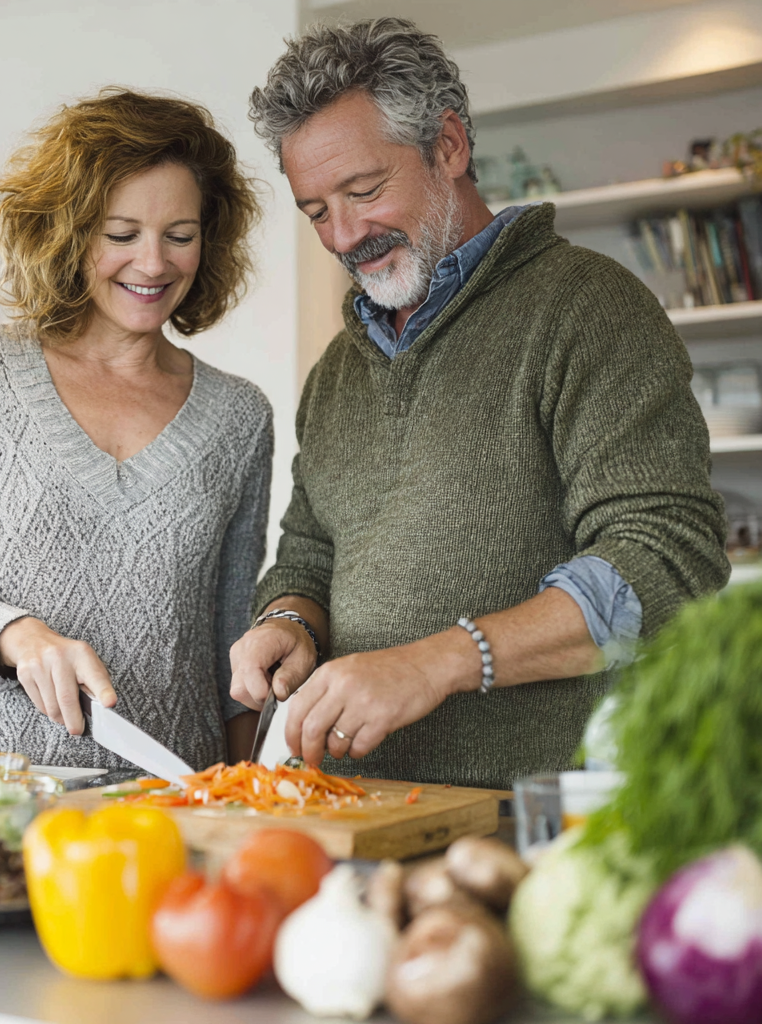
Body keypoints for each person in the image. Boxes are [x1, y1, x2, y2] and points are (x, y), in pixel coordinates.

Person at [229, 19, 729, 790]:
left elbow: (664, 557)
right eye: (317, 210)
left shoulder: (586, 308)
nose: (344, 235)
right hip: (362, 806)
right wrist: (289, 621)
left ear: (450, 147)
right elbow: (309, 553)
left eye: (364, 191)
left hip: (540, 812)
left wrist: (436, 664)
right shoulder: (338, 370)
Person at [0, 90, 271, 771]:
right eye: (121, 235)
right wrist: (16, 634)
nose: (153, 264)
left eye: (179, 236)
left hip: (171, 806)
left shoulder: (239, 418)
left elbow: (231, 647)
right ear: (68, 233)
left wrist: (246, 804)